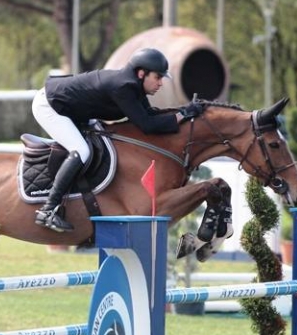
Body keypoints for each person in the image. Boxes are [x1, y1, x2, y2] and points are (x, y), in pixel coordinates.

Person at [32, 47, 203, 232]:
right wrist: (183, 115)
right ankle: (48, 210)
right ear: (141, 73)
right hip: (51, 106)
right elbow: (147, 125)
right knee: (82, 150)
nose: (160, 83)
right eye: (158, 77)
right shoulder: (123, 87)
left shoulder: (135, 87)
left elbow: (150, 114)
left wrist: (182, 112)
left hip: (74, 109)